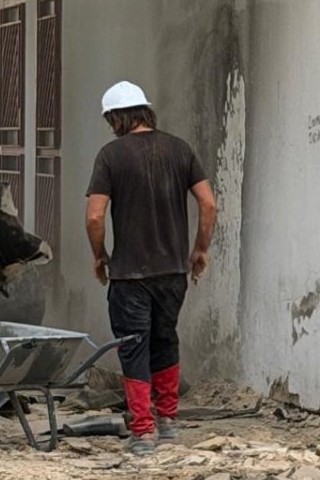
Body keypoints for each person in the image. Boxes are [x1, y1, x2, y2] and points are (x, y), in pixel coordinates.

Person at [85, 81, 218, 455]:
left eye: (111, 119)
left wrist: (99, 255)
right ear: (146, 111)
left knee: (133, 347)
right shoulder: (180, 149)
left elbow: (95, 215)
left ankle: (143, 432)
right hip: (173, 272)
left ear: (116, 117)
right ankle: (168, 421)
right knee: (165, 339)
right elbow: (209, 205)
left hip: (130, 276)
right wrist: (200, 250)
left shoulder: (111, 155)